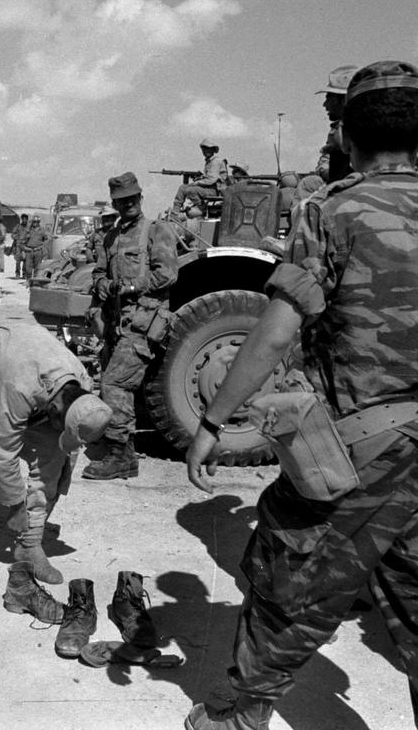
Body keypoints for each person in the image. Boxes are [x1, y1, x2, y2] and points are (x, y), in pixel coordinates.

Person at [183, 60, 418, 730]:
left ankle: (241, 714)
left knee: (287, 576)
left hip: (365, 448)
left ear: (345, 135)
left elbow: (277, 328)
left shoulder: (332, 211)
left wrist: (213, 418)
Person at [0, 323, 110, 584]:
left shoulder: (80, 381)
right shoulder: (23, 384)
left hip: (4, 385)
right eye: (60, 423)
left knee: (56, 458)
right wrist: (14, 506)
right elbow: (2, 450)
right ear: (56, 408)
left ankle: (29, 545)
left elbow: (66, 442)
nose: (58, 428)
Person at [85, 172, 178, 481]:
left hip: (142, 321)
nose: (127, 205)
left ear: (141, 199)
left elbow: (167, 274)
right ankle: (120, 443)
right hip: (116, 324)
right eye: (121, 201)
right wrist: (102, 285)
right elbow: (98, 271)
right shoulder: (110, 237)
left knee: (114, 384)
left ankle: (121, 456)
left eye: (132, 200)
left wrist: (130, 286)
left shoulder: (156, 231)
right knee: (115, 386)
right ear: (114, 203)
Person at [316, 64, 358, 185]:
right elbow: (324, 162)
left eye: (329, 98)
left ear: (345, 99)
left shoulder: (369, 127)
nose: (325, 104)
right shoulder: (338, 130)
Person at [171, 138, 223, 214]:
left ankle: (202, 208)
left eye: (208, 149)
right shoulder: (209, 161)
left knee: (190, 190)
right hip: (208, 188)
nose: (206, 151)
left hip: (214, 190)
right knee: (182, 187)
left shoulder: (215, 162)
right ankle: (175, 212)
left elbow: (211, 179)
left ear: (212, 150)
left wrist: (197, 182)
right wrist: (199, 179)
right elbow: (207, 177)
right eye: (204, 149)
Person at [24, 215, 48, 283]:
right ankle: (28, 280)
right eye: (34, 222)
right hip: (29, 250)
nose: (35, 223)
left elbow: (45, 239)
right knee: (28, 267)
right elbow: (23, 239)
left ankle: (35, 281)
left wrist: (44, 249)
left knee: (37, 267)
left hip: (38, 250)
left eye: (36, 222)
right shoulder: (28, 229)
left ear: (39, 222)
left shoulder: (42, 230)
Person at [12, 214, 30, 279]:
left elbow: (32, 235)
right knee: (18, 260)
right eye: (23, 219)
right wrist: (17, 238)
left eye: (26, 219)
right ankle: (17, 274)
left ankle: (24, 274)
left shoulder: (29, 227)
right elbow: (13, 234)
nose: (24, 220)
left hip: (26, 245)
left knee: (26, 260)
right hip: (19, 245)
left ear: (27, 220)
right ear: (21, 220)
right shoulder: (18, 226)